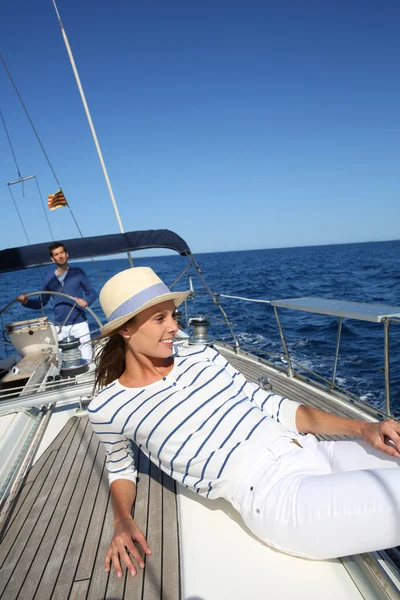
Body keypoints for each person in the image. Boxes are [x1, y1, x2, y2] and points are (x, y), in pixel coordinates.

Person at [89, 266, 400, 578]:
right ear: (125, 330)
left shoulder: (204, 358)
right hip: (276, 492)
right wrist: (122, 520)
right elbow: (120, 468)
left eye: (174, 316)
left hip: (313, 451)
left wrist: (364, 428)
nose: (174, 327)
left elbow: (274, 406)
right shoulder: (109, 407)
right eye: (160, 319)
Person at [17, 241, 97, 361]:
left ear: (66, 254)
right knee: (62, 362)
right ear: (52, 258)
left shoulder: (78, 272)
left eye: (62, 252)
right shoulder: (49, 277)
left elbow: (92, 293)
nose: (60, 256)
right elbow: (41, 302)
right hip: (60, 327)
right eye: (56, 254)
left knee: (87, 359)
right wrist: (26, 302)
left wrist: (86, 301)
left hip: (80, 324)